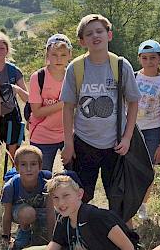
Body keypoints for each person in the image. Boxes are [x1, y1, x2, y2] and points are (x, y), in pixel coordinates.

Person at [60, 14, 141, 203]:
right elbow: (68, 107)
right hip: (84, 142)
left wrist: (128, 138)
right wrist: (68, 143)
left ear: (109, 35)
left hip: (116, 143)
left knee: (118, 196)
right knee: (81, 195)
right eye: (89, 33)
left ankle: (122, 230)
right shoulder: (76, 68)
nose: (95, 36)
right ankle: (78, 230)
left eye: (99, 31)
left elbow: (134, 101)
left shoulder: (121, 65)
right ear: (82, 41)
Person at [0, 32, 29, 200]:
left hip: (12, 116)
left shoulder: (13, 70)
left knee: (14, 155)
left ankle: (14, 189)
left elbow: (28, 98)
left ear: (7, 50)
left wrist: (15, 89)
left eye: (2, 48)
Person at [134, 39, 160, 220]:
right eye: (145, 58)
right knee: (128, 167)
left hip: (152, 132)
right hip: (131, 129)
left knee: (147, 171)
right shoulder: (133, 77)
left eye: (152, 57)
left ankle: (142, 204)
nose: (149, 61)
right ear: (139, 59)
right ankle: (127, 202)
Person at [45, 172, 135, 250]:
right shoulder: (63, 219)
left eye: (66, 195)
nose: (61, 203)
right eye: (55, 197)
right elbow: (55, 244)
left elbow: (128, 247)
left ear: (80, 194)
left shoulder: (97, 217)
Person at [28, 34, 73, 172]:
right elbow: (37, 112)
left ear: (70, 55)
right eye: (54, 54)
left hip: (69, 135)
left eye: (63, 55)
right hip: (42, 136)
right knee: (42, 177)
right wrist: (63, 103)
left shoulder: (73, 76)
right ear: (47, 54)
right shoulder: (38, 77)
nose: (59, 59)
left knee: (72, 178)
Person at [0, 145, 54, 250]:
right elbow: (6, 214)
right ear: (16, 167)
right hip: (21, 213)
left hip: (41, 212)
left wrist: (52, 240)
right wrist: (6, 237)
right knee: (28, 214)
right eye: (23, 164)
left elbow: (50, 211)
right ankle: (24, 230)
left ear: (40, 166)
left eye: (33, 164)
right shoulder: (11, 186)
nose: (29, 169)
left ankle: (38, 232)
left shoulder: (47, 181)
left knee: (42, 240)